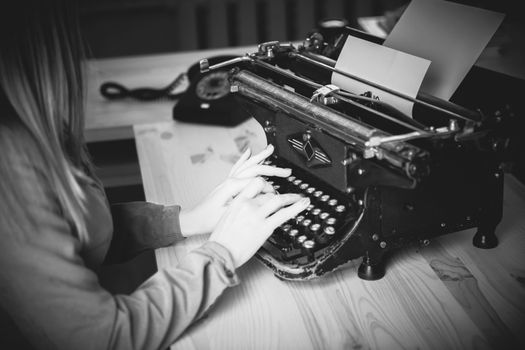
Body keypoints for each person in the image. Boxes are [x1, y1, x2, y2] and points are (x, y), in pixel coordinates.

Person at [0, 1, 310, 349]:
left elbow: (75, 233)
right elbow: (103, 339)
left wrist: (188, 220)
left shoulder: (30, 125)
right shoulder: (9, 165)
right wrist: (223, 251)